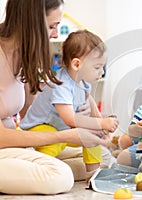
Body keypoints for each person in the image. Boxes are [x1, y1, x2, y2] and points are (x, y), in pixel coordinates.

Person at [0, 0, 105, 195]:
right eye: (51, 26)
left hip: (14, 143)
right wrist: (64, 135)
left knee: (102, 156)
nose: (56, 34)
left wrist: (79, 113)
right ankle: (42, 169)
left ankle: (32, 169)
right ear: (31, 21)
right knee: (59, 176)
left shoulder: (23, 55)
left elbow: (30, 115)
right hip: (3, 146)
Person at [20, 30, 119, 181]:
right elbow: (70, 119)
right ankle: (36, 168)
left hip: (62, 130)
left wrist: (99, 121)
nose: (102, 72)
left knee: (92, 139)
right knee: (53, 144)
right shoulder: (61, 84)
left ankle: (93, 175)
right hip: (41, 127)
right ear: (76, 64)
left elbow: (89, 98)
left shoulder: (83, 81)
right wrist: (101, 122)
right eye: (97, 67)